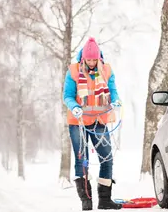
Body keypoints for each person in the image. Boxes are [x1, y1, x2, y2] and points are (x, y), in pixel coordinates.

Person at [63, 37, 122, 210]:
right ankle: (86, 200)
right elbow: (67, 95)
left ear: (99, 58)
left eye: (93, 60)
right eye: (88, 60)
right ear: (83, 59)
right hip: (78, 121)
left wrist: (116, 101)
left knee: (107, 158)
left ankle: (104, 200)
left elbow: (112, 91)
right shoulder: (73, 71)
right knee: (82, 160)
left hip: (99, 120)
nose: (90, 63)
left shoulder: (106, 71)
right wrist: (74, 107)